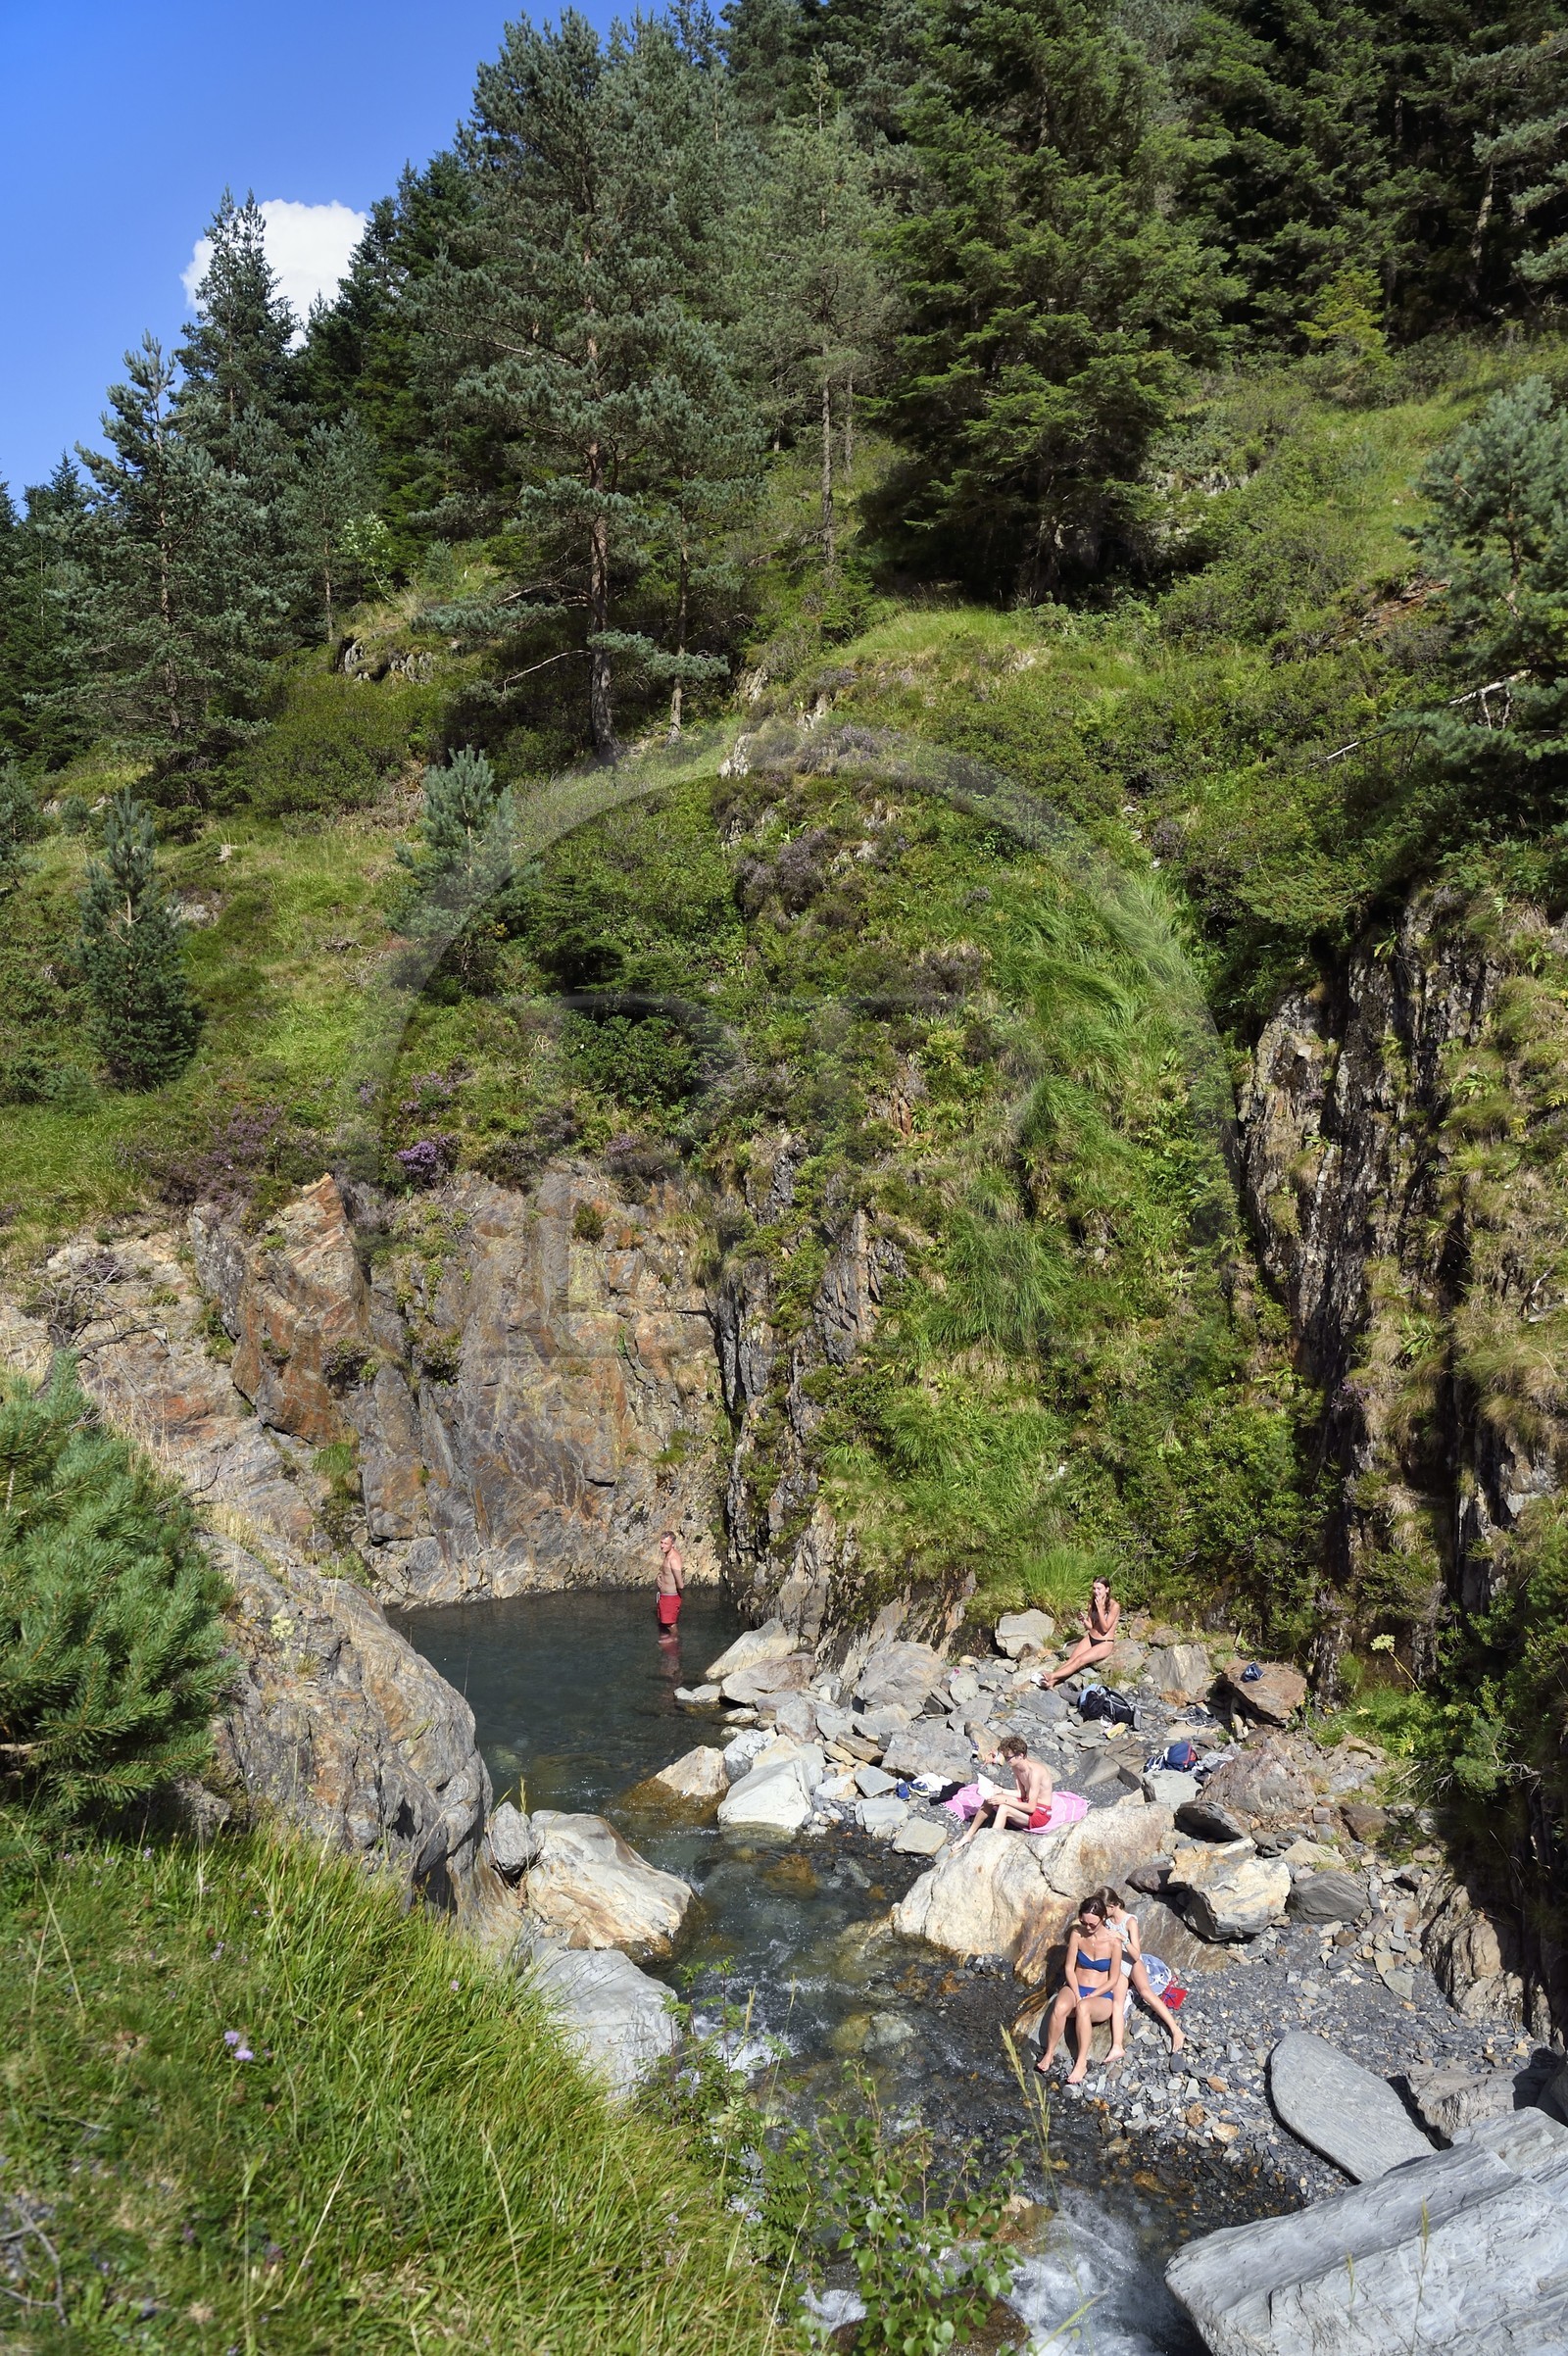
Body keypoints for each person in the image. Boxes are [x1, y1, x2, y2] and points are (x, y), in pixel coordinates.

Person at [1036, 1891, 1126, 2084]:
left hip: (1101, 1995)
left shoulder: (1114, 1943)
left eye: (1092, 1924)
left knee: (1084, 2007)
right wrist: (1077, 1993)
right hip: (1077, 1986)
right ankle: (1049, 2052)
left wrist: (1091, 1995)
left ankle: (1081, 2062)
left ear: (1103, 1919)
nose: (1088, 1927)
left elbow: (1113, 1979)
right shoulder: (1077, 1935)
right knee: (1059, 2007)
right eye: (1084, 1922)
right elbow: (1069, 1968)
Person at [1103, 1890, 1184, 2056]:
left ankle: (1176, 2030)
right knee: (1117, 2003)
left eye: (1104, 1908)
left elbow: (1136, 1954)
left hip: (1132, 1963)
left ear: (1113, 1906)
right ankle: (1117, 2046)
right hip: (1118, 1966)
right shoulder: (1107, 1920)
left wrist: (1122, 1938)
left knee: (1146, 1993)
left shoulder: (1129, 1921)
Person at [953, 1734, 1054, 1851]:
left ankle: (990, 1845)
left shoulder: (1035, 1773)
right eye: (1005, 1757)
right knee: (992, 1797)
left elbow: (1031, 1808)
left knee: (1004, 1808)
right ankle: (969, 1835)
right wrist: (1001, 1791)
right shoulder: (1016, 1766)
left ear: (1020, 1755)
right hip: (1027, 1802)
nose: (1006, 1761)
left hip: (1040, 1813)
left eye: (1008, 1758)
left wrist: (1005, 1800)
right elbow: (1021, 1794)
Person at [1034, 1577, 1120, 1690]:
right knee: (1071, 1660)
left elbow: (1105, 1629)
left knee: (1080, 1660)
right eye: (1094, 1588)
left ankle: (1052, 1676)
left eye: (1099, 1588)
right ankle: (1052, 1682)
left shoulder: (1114, 1606)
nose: (1096, 1591)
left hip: (1104, 1642)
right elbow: (1091, 1626)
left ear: (1107, 1589)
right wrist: (1083, 1620)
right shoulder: (1092, 1603)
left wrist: (1100, 1609)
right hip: (1091, 1637)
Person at [655, 1530, 684, 1634]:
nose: (662, 1546)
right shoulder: (667, 1555)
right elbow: (666, 1572)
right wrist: (659, 1577)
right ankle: (669, 1642)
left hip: (670, 1597)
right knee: (663, 1623)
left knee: (670, 1624)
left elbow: (680, 1585)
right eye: (661, 1543)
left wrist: (670, 1588)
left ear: (673, 1544)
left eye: (666, 1543)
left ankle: (675, 1642)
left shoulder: (673, 1559)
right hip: (665, 1597)